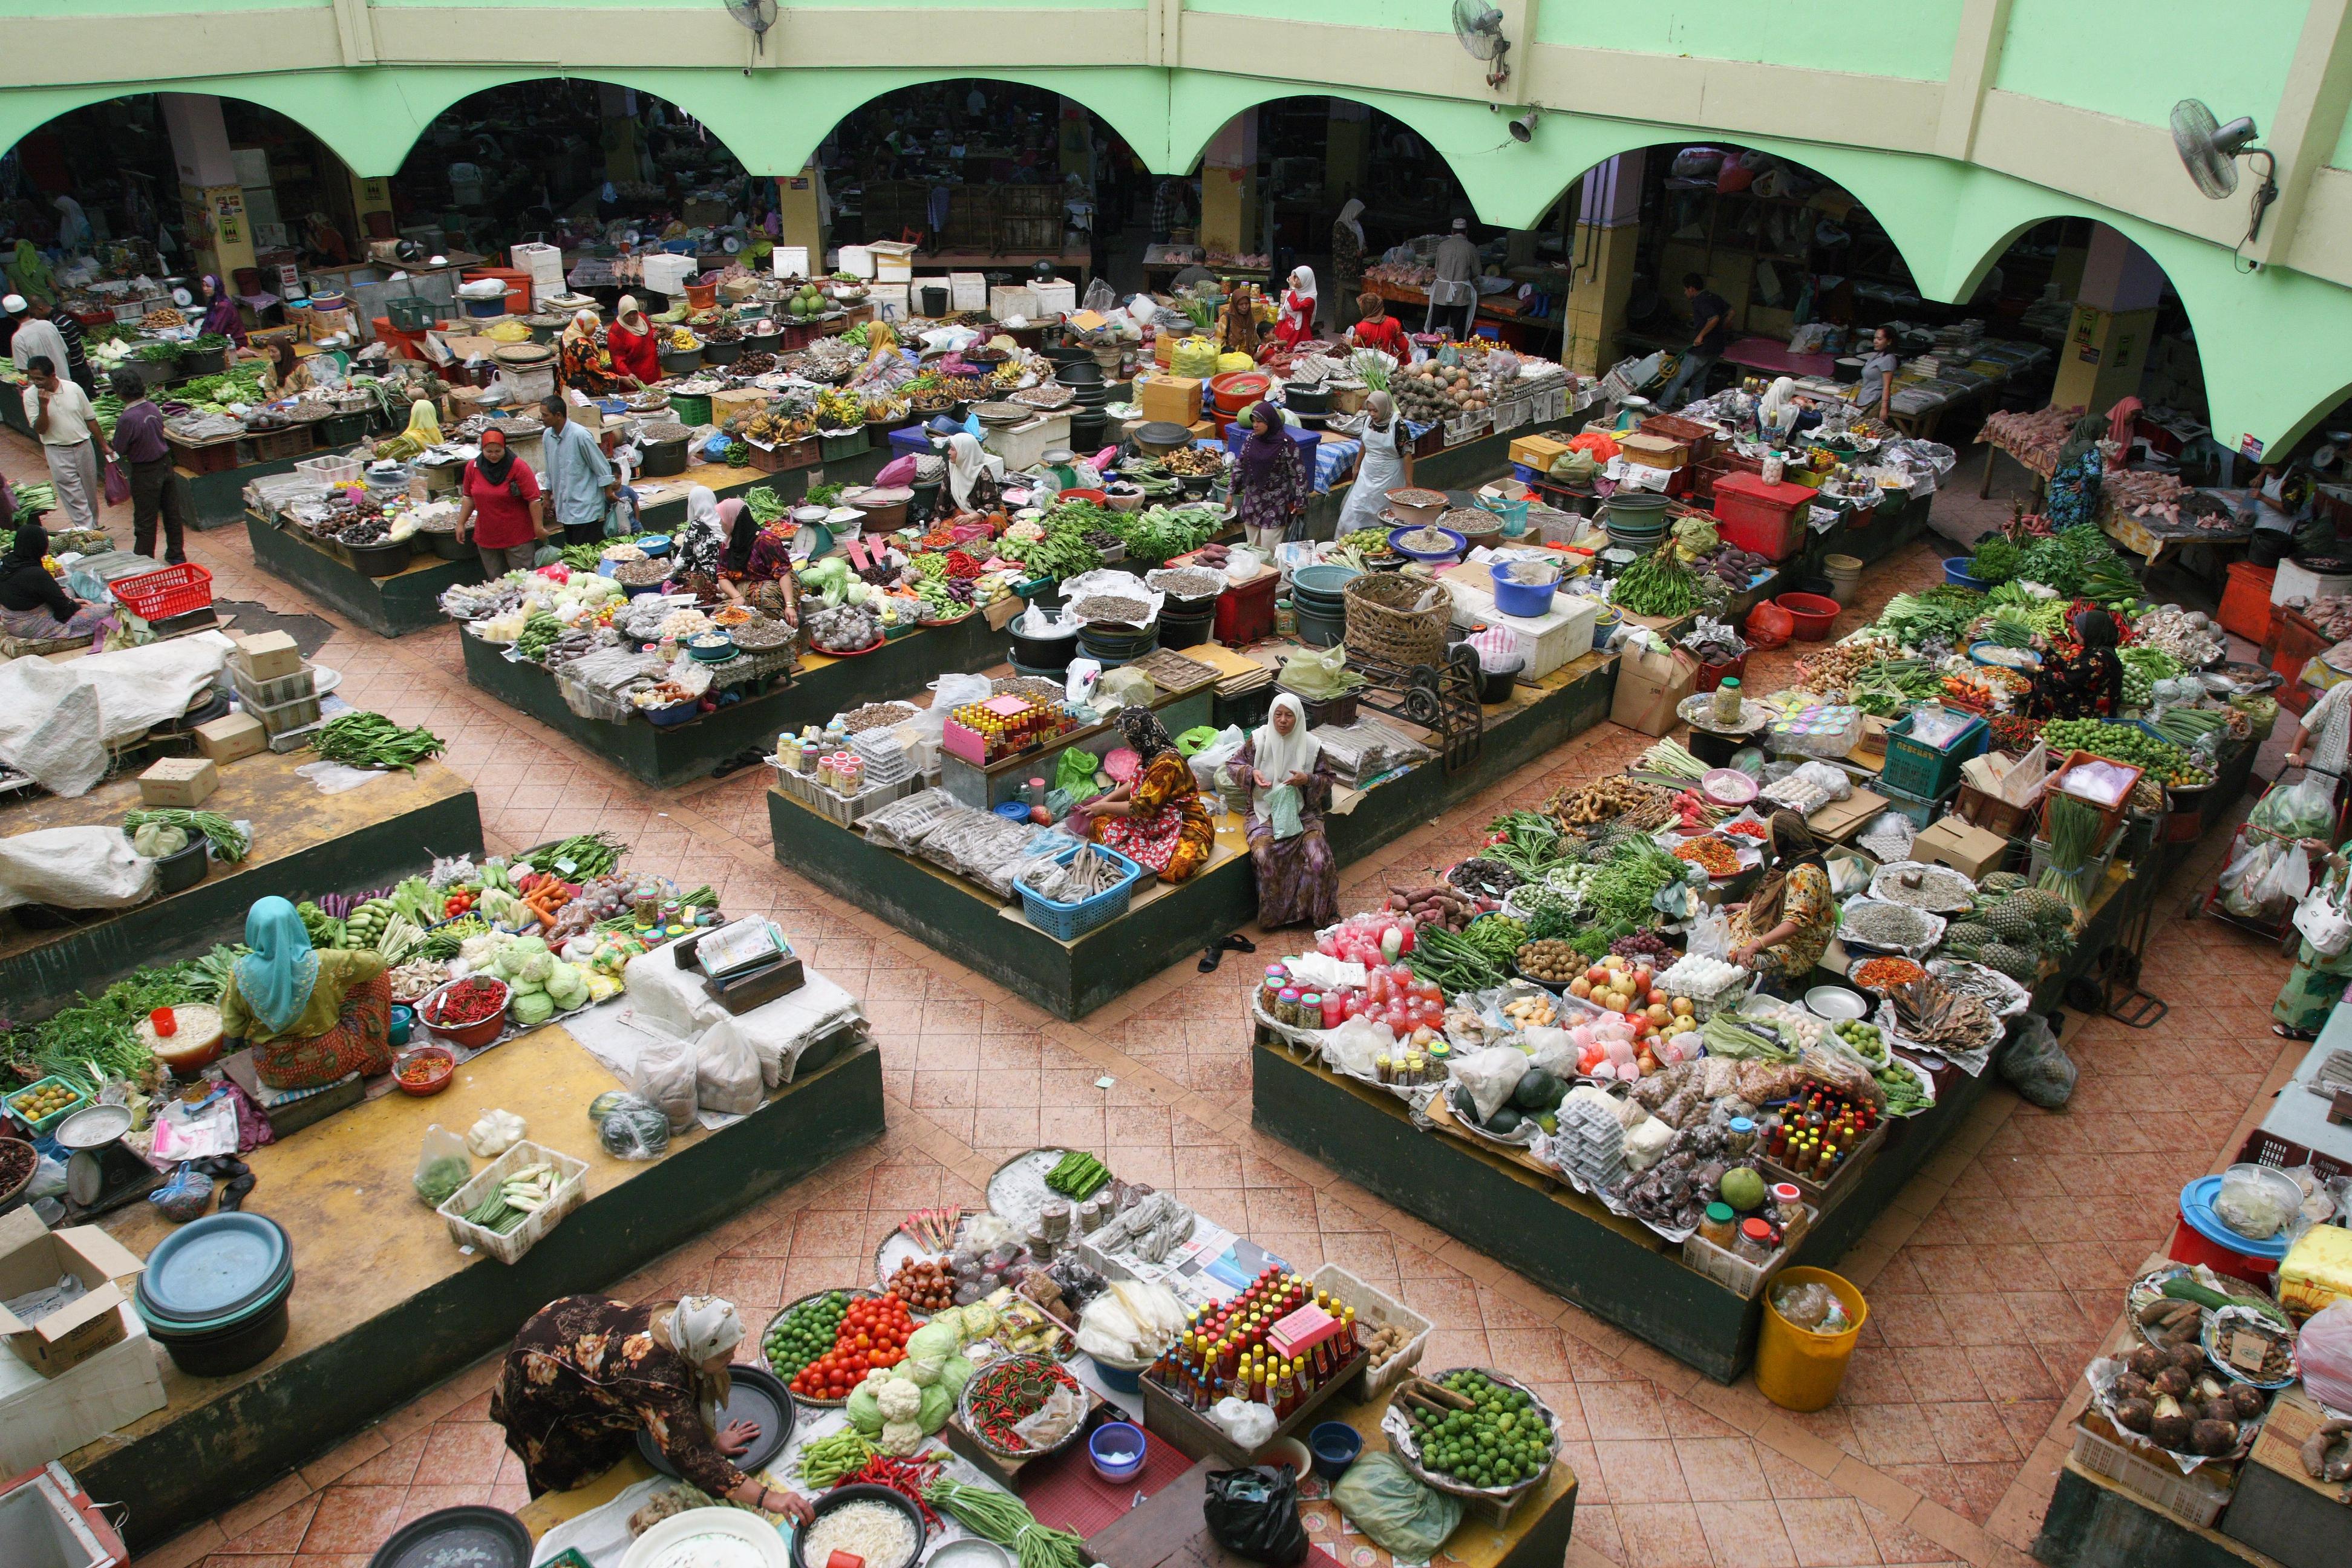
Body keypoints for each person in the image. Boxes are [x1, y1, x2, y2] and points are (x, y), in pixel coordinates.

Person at [492, 1293, 814, 1517]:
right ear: (696, 1352)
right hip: (540, 1380)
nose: (731, 1359)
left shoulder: (677, 1321)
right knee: (565, 1467)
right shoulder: (654, 1380)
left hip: (570, 1331)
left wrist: (711, 1437)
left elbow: (688, 1402)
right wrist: (769, 1498)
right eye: (723, 1355)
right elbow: (694, 1460)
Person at [218, 895, 392, 1091]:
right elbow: (377, 963)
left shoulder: (240, 974)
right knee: (377, 978)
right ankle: (375, 1056)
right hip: (330, 1062)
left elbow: (233, 1029)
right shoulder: (323, 962)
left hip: (274, 1072)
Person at [1237, 693, 1338, 930]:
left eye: (1289, 715)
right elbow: (1235, 765)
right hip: (1265, 812)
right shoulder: (1259, 740)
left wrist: (1308, 780)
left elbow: (1328, 778)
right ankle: (1276, 917)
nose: (1283, 721)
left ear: (1299, 718)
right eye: (1278, 715)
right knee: (1263, 855)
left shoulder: (1312, 746)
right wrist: (1252, 773)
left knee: (1319, 859)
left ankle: (1318, 914)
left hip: (1304, 814)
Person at [1083, 707, 1215, 883]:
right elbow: (1134, 782)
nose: (1125, 740)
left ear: (1137, 736)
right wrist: (1104, 800)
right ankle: (1137, 860)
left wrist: (1104, 807)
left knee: (1180, 864)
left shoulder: (1166, 763)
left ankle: (1141, 863)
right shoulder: (1149, 751)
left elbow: (1142, 809)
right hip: (1152, 820)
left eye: (1125, 736)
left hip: (1181, 821)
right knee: (1099, 825)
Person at [1727, 812, 1834, 985]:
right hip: (1779, 929)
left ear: (1782, 841)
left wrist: (1755, 945)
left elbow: (1794, 924)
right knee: (1720, 926)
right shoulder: (1797, 857)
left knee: (1743, 964)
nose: (1770, 843)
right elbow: (1783, 902)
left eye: (1772, 839)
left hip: (1798, 947)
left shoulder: (1805, 874)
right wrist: (1749, 908)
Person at [0, 503, 112, 644]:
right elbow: (63, 610)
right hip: (30, 626)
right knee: (107, 611)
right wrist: (78, 606)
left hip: (11, 619)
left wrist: (71, 600)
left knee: (69, 591)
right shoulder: (35, 574)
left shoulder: (8, 561)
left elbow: (30, 593)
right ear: (38, 546)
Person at [22, 356, 111, 532]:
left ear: (53, 375)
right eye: (33, 379)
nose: (36, 383)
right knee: (73, 496)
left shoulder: (73, 389)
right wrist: (43, 406)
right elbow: (41, 429)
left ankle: (93, 526)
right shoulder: (30, 396)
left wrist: (103, 445)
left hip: (83, 446)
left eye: (40, 379)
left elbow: (90, 419)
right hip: (57, 451)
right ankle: (88, 532)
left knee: (89, 492)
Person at [2273, 847, 2352, 1039]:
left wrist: (2327, 854)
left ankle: (2309, 1026)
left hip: (2343, 925)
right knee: (2311, 965)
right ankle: (2295, 1016)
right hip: (2334, 913)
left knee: (2325, 976)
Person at [110, 368, 186, 564]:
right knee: (172, 513)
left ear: (119, 393)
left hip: (145, 472)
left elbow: (120, 447)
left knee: (145, 519)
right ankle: (176, 554)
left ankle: (144, 561)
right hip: (165, 466)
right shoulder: (152, 408)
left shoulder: (127, 418)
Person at [456, 426, 545, 577]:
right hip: (487, 537)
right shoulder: (473, 467)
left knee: (524, 582)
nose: (493, 455)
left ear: (505, 448)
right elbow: (469, 497)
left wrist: (538, 528)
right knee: (498, 585)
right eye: (489, 451)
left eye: (498, 451)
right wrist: (460, 524)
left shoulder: (517, 467)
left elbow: (534, 500)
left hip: (517, 538)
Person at [538, 397, 618, 548]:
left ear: (559, 415)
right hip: (565, 507)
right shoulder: (548, 436)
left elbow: (601, 467)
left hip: (585, 508)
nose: (542, 419)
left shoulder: (580, 435)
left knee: (586, 554)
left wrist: (608, 492)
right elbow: (550, 469)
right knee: (573, 551)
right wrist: (547, 497)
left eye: (545, 415)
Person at [1232, 401, 1308, 551]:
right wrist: (1231, 491)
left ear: (1270, 421)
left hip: (1276, 503)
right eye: (1253, 421)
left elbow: (1298, 474)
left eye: (1260, 421)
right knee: (1252, 549)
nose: (1255, 425)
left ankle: (1270, 574)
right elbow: (1239, 465)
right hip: (1252, 502)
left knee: (1268, 550)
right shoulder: (1250, 441)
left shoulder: (1287, 444)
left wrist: (1301, 503)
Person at [2027, 609, 2124, 720]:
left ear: (2091, 632)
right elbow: (2069, 669)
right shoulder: (2096, 650)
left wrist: (2037, 668)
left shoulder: (2097, 659)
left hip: (2091, 712)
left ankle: (2035, 726)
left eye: (2078, 630)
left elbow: (2063, 682)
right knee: (2042, 677)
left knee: (2044, 691)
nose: (2075, 633)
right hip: (2084, 695)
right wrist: (2043, 648)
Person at [1334, 390, 1407, 538]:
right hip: (1368, 471)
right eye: (1370, 410)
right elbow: (1364, 444)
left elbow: (1407, 454)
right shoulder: (1368, 422)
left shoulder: (1399, 427)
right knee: (1357, 507)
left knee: (1382, 510)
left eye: (1376, 410)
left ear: (1385, 408)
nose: (1373, 414)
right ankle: (1351, 539)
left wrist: (1410, 483)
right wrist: (1357, 466)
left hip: (1389, 474)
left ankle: (1382, 540)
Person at [1656, 273, 1731, 408]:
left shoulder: (1700, 300)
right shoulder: (1713, 297)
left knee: (1679, 377)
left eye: (1685, 290)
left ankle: (1662, 406)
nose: (1685, 293)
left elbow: (1714, 318)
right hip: (1716, 348)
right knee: (1699, 380)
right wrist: (1720, 330)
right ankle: (1692, 410)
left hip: (1702, 348)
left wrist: (1701, 335)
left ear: (1691, 289)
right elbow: (1731, 312)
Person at [720, 498, 800, 624]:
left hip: (774, 583)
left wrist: (789, 605)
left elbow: (783, 574)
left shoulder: (766, 541)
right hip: (742, 590)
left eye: (723, 520)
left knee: (762, 598)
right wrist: (736, 596)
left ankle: (782, 629)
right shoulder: (728, 545)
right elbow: (722, 576)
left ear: (733, 520)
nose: (720, 523)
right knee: (724, 614)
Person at [2044, 413, 2106, 529]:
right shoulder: (2090, 450)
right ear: (2093, 430)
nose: (2106, 433)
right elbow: (2093, 473)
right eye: (2103, 430)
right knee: (2070, 537)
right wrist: (2084, 483)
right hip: (2075, 502)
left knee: (2054, 532)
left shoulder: (2070, 446)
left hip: (2058, 496)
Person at [1429, 218, 1480, 339]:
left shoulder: (1442, 246)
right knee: (1458, 327)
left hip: (1442, 290)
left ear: (1452, 231)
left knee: (1437, 326)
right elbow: (1477, 271)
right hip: (1460, 292)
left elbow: (1437, 268)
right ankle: (1456, 352)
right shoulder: (1471, 248)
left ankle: (1432, 352)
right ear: (1466, 232)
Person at [673, 485, 727, 598]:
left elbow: (683, 562)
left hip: (710, 578)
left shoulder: (696, 526)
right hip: (729, 575)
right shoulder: (726, 520)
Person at [558, 310, 624, 394]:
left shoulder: (568, 334)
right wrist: (620, 379)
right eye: (592, 327)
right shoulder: (584, 347)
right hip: (580, 389)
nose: (595, 330)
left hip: (564, 383)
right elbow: (597, 373)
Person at [942, 431, 1003, 517]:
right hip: (964, 512)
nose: (949, 452)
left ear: (964, 452)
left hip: (983, 515)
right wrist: (938, 518)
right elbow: (944, 494)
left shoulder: (983, 472)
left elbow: (993, 504)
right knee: (943, 528)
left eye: (952, 449)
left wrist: (971, 517)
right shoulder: (952, 467)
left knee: (995, 518)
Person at [606, 295, 661, 387]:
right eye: (627, 314)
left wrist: (655, 334)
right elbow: (617, 360)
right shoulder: (616, 332)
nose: (632, 317)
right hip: (635, 379)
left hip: (653, 371)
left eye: (634, 313)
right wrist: (628, 374)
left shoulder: (643, 319)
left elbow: (649, 333)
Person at [8, 295, 67, 377]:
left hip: (43, 387)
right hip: (65, 380)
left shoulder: (18, 338)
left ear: (10, 316)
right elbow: (66, 352)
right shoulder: (48, 325)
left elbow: (23, 369)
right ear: (29, 309)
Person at [1330, 199, 1367, 333]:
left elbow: (1361, 241)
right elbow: (1338, 248)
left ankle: (1353, 321)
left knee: (1355, 294)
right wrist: (1354, 253)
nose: (1358, 215)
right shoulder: (1340, 226)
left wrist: (1363, 249)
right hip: (1343, 266)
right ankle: (1341, 324)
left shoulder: (1355, 225)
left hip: (1355, 265)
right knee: (1342, 293)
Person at [1854, 325, 1898, 422]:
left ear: (1889, 341)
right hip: (1864, 400)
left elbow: (1887, 386)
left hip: (1874, 402)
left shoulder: (1888, 359)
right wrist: (1857, 399)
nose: (1875, 341)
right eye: (1874, 338)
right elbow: (1866, 382)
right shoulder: (1876, 356)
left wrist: (1884, 408)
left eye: (1879, 339)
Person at [1348, 293, 1408, 359]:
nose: (1360, 310)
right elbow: (1404, 347)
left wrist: (1349, 344)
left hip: (1369, 364)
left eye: (1361, 308)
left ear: (1367, 310)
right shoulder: (1393, 323)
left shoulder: (1361, 328)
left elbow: (1357, 351)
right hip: (1389, 364)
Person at [1273, 266, 1317, 350]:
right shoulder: (1292, 292)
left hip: (1299, 333)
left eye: (1298, 278)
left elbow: (1296, 306)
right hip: (1287, 329)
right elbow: (1284, 311)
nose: (1295, 280)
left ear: (1306, 280)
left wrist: (1293, 289)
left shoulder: (1310, 298)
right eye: (1294, 277)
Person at [198, 274, 247, 347]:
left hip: (233, 341)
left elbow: (216, 330)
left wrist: (202, 342)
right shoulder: (213, 303)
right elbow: (206, 325)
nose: (205, 289)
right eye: (203, 286)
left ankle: (240, 352)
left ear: (216, 287)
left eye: (208, 286)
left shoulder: (224, 306)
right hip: (221, 338)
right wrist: (199, 338)